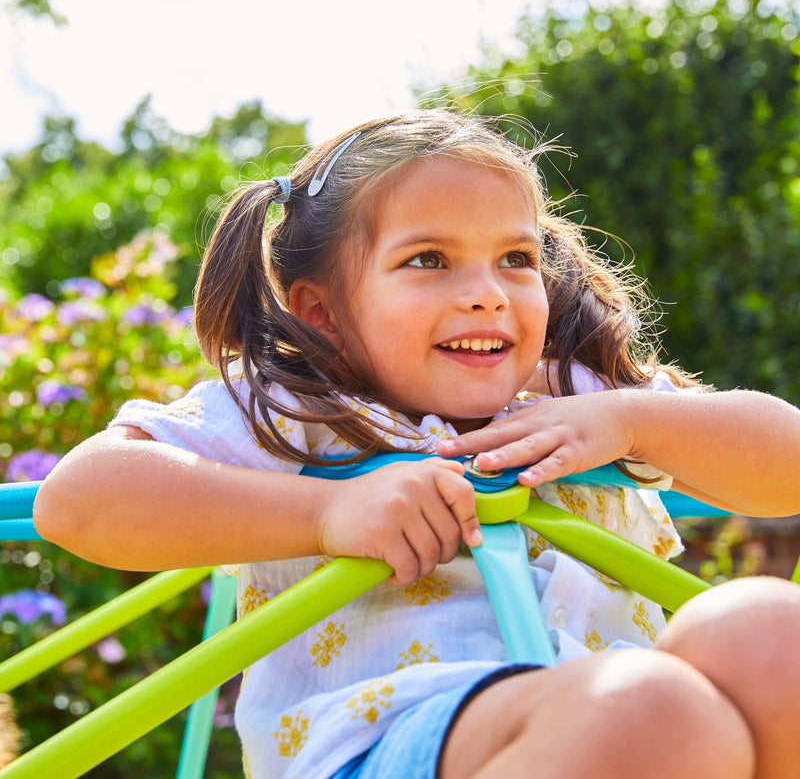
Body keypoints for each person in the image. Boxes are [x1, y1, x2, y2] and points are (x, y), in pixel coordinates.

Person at [34, 109, 800, 779]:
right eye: (428, 259)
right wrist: (327, 512)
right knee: (653, 705)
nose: (487, 291)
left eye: (517, 259)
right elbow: (80, 498)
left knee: (772, 634)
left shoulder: (579, 397)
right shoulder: (299, 406)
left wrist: (639, 422)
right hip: (387, 738)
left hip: (624, 720)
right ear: (323, 311)